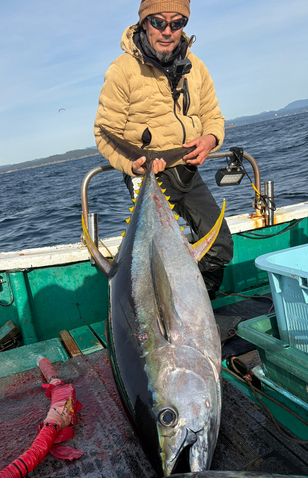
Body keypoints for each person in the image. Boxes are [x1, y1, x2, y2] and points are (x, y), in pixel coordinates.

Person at [94, 0, 233, 299]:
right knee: (156, 260)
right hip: (147, 175)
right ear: (144, 22)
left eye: (177, 23)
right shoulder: (122, 71)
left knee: (218, 244)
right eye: (158, 22)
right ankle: (166, 314)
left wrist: (210, 139)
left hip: (187, 170)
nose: (167, 31)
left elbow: (213, 116)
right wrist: (133, 165)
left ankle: (195, 306)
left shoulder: (196, 67)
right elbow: (105, 133)